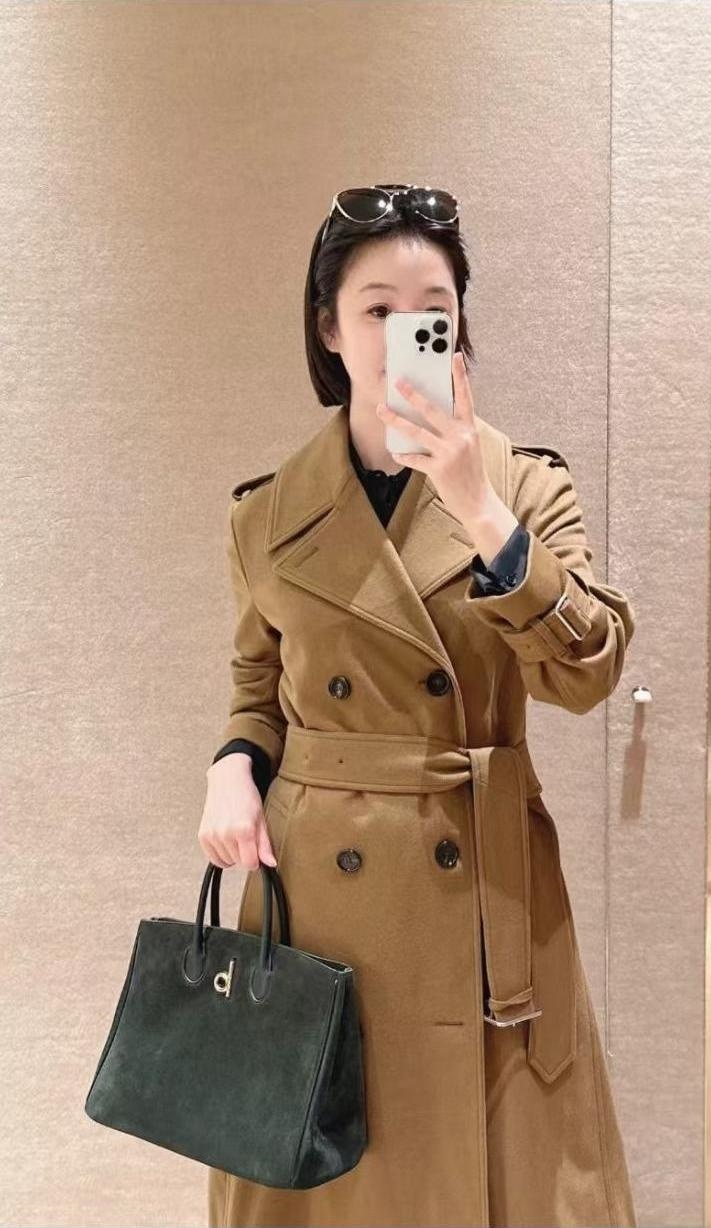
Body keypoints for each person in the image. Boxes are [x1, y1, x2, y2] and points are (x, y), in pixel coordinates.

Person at [200, 185, 638, 1227]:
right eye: (377, 310)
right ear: (329, 329)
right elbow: (257, 688)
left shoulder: (522, 487)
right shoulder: (267, 513)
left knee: (505, 1166)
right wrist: (231, 766)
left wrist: (477, 509)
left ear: (458, 328)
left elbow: (587, 671)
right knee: (333, 1162)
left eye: (430, 311)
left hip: (483, 884)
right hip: (323, 894)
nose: (405, 331)